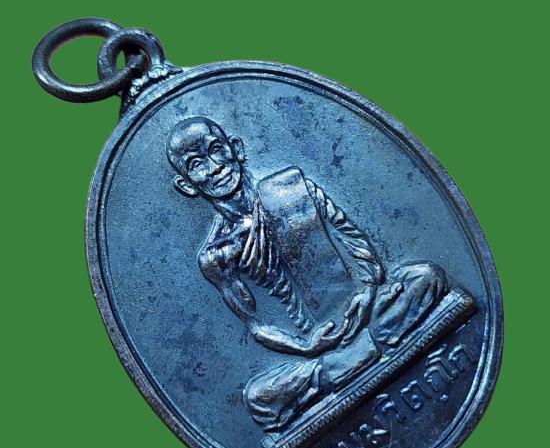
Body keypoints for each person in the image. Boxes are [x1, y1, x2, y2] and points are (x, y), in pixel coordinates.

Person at [166, 117, 448, 431]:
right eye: (196, 165)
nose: (215, 167)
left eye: (216, 149)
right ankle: (360, 351)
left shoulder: (292, 188)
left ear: (237, 148)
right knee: (259, 399)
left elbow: (353, 239)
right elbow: (257, 326)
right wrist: (306, 347)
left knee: (426, 277)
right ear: (187, 185)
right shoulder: (216, 255)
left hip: (363, 312)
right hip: (310, 351)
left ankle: (346, 363)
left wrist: (368, 290)